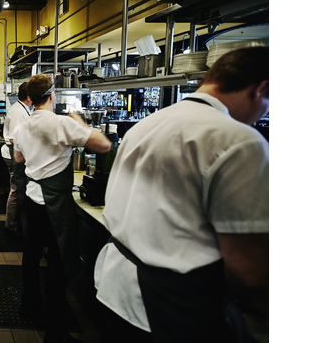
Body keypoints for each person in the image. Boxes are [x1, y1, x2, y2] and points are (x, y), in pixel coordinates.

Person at [93, 47, 269, 343]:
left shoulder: (148, 123)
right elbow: (248, 272)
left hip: (114, 286)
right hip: (172, 303)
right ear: (262, 89)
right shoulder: (239, 140)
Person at [13, 74, 112, 343]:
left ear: (30, 98)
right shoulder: (63, 123)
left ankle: (29, 304)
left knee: (32, 255)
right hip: (55, 203)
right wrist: (79, 122)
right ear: (53, 96)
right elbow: (104, 144)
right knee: (57, 264)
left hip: (32, 198)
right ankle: (55, 332)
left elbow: (18, 158)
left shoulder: (22, 127)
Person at [0, 82, 33, 235]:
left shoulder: (21, 109)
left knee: (17, 190)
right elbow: (14, 139)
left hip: (15, 153)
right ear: (28, 97)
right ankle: (11, 225)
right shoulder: (19, 112)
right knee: (16, 191)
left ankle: (15, 223)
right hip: (14, 154)